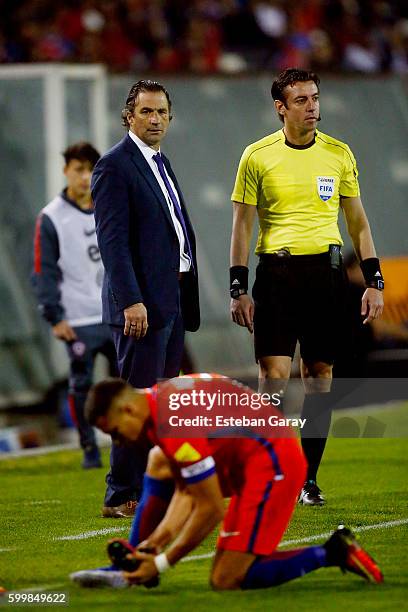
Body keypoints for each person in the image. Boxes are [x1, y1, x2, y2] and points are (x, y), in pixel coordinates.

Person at [229, 68, 384, 505]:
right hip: (276, 276)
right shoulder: (257, 156)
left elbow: (357, 222)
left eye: (314, 97)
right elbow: (241, 226)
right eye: (300, 100)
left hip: (326, 277)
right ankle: (266, 471)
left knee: (319, 377)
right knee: (272, 376)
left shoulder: (338, 153)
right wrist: (237, 286)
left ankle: (307, 479)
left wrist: (373, 280)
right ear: (281, 107)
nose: (312, 106)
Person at [70, 374, 383, 590]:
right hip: (247, 453)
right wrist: (156, 542)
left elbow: (207, 508)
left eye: (113, 430)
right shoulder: (157, 401)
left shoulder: (172, 423)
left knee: (226, 578)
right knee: (159, 462)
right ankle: (134, 559)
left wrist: (164, 562)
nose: (117, 441)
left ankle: (333, 552)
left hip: (273, 464)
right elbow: (185, 488)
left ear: (126, 409)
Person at [91, 80, 200, 517]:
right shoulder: (114, 166)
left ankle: (152, 487)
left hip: (169, 298)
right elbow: (112, 242)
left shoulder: (160, 162)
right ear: (128, 116)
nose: (155, 120)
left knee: (160, 404)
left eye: (161, 112)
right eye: (146, 112)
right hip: (142, 307)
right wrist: (130, 300)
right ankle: (120, 493)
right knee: (135, 403)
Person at [32, 142, 139, 518]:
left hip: (114, 312)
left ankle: (124, 443)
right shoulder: (52, 217)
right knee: (81, 384)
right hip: (77, 319)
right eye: (77, 169)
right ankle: (89, 448)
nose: (83, 177)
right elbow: (44, 271)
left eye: (88, 170)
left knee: (125, 383)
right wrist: (54, 316)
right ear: (66, 172)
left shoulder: (109, 208)